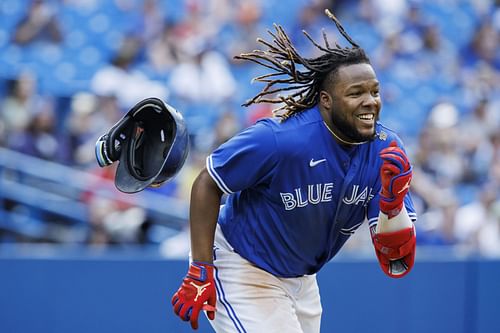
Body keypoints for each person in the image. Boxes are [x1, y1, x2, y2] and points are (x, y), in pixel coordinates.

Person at [171, 9, 417, 333]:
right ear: (326, 101)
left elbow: (396, 262)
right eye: (356, 93)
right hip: (243, 265)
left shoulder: (385, 151)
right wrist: (200, 269)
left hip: (303, 280)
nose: (370, 101)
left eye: (374, 91)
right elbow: (207, 182)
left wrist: (392, 203)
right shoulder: (280, 138)